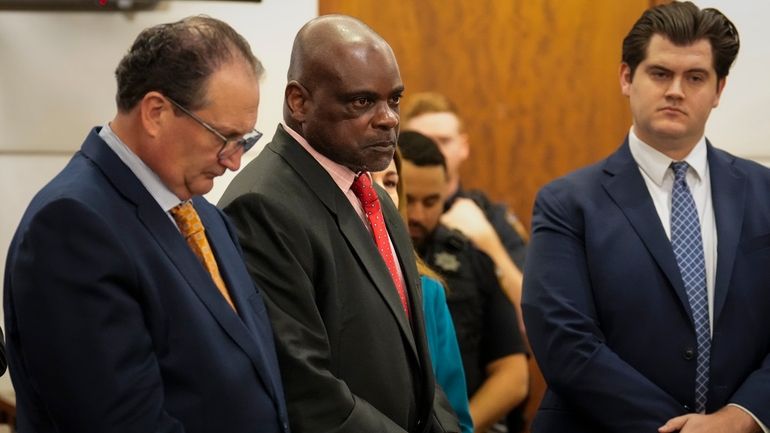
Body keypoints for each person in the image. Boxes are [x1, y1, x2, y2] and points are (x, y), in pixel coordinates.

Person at [3, 16, 289, 433]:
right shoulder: (72, 226)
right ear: (156, 112)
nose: (234, 160)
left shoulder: (204, 216)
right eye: (224, 137)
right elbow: (121, 422)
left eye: (245, 140)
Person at [522, 2, 770, 432]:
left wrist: (741, 417)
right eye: (660, 74)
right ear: (626, 78)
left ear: (719, 90)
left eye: (695, 77)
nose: (676, 90)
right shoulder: (567, 203)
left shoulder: (765, 192)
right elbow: (565, 342)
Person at [218, 15, 459, 433]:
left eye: (394, 100)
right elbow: (307, 390)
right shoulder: (263, 206)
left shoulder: (375, 196)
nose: (389, 119)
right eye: (362, 102)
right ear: (299, 101)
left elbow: (419, 369)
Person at [399, 131, 529, 433]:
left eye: (431, 201)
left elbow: (513, 376)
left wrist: (455, 427)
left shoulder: (471, 256)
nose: (417, 214)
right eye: (410, 200)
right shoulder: (367, 255)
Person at [372, 150, 474, 433]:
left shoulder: (428, 291)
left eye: (391, 182)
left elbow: (458, 417)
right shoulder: (328, 277)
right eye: (366, 179)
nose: (380, 193)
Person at [402, 92, 527, 317]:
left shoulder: (490, 217)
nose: (434, 150)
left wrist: (490, 246)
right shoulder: (381, 215)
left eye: (444, 140)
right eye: (422, 139)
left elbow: (531, 316)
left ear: (463, 146)